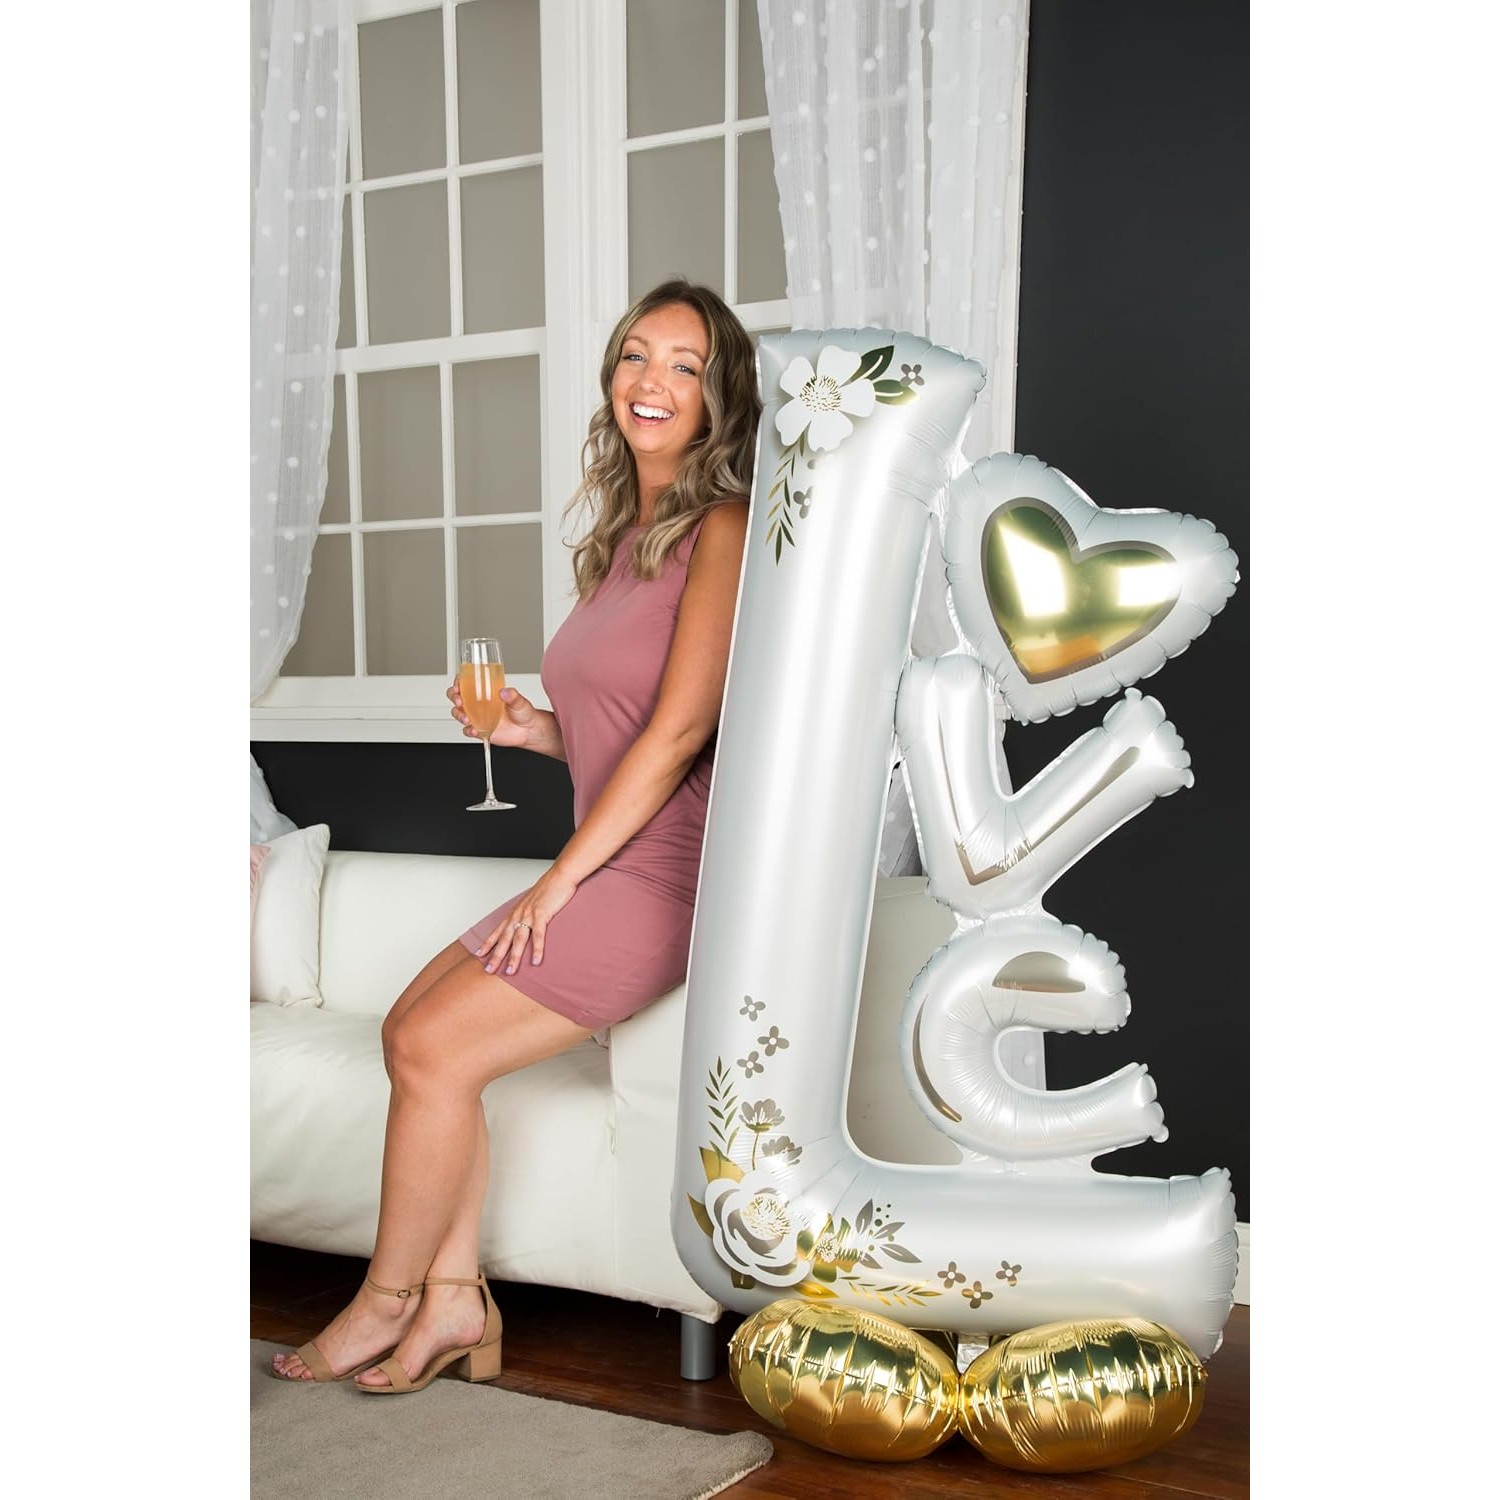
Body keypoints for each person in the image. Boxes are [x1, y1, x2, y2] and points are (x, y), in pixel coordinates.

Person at [271, 279, 761, 1392]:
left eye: (684, 366)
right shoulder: (627, 540)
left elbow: (681, 732)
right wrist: (530, 730)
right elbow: (615, 731)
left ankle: (386, 1299)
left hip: (662, 877)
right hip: (609, 858)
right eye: (636, 356)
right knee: (414, 1034)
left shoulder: (723, 530)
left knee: (432, 1048)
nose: (651, 381)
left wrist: (558, 881)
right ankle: (456, 1300)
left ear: (719, 397)